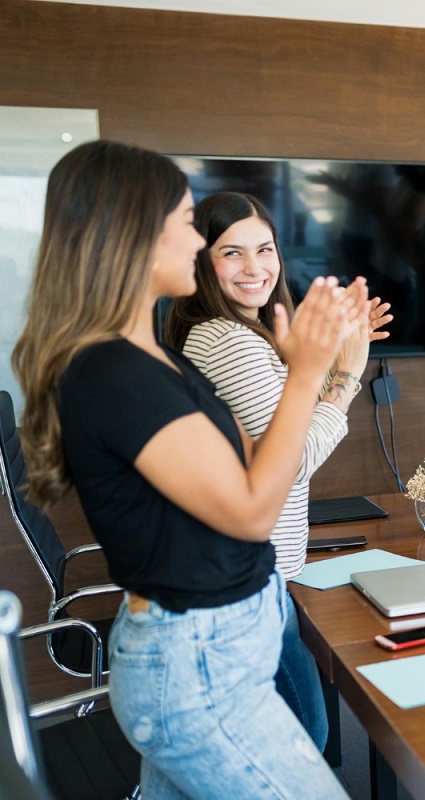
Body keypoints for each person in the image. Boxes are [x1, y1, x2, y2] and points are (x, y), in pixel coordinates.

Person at [12, 139, 358, 798]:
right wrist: (313, 373)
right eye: (184, 223)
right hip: (198, 669)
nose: (199, 244)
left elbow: (252, 467)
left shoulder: (157, 360)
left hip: (212, 654)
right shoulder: (114, 374)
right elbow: (256, 511)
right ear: (132, 238)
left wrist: (296, 372)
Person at [163, 191, 391, 752]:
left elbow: (279, 414)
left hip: (263, 573)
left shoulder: (240, 334)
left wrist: (321, 351)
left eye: (264, 249)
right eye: (231, 253)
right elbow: (290, 461)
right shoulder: (228, 341)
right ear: (202, 261)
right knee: (300, 737)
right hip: (252, 583)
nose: (255, 267)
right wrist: (345, 376)